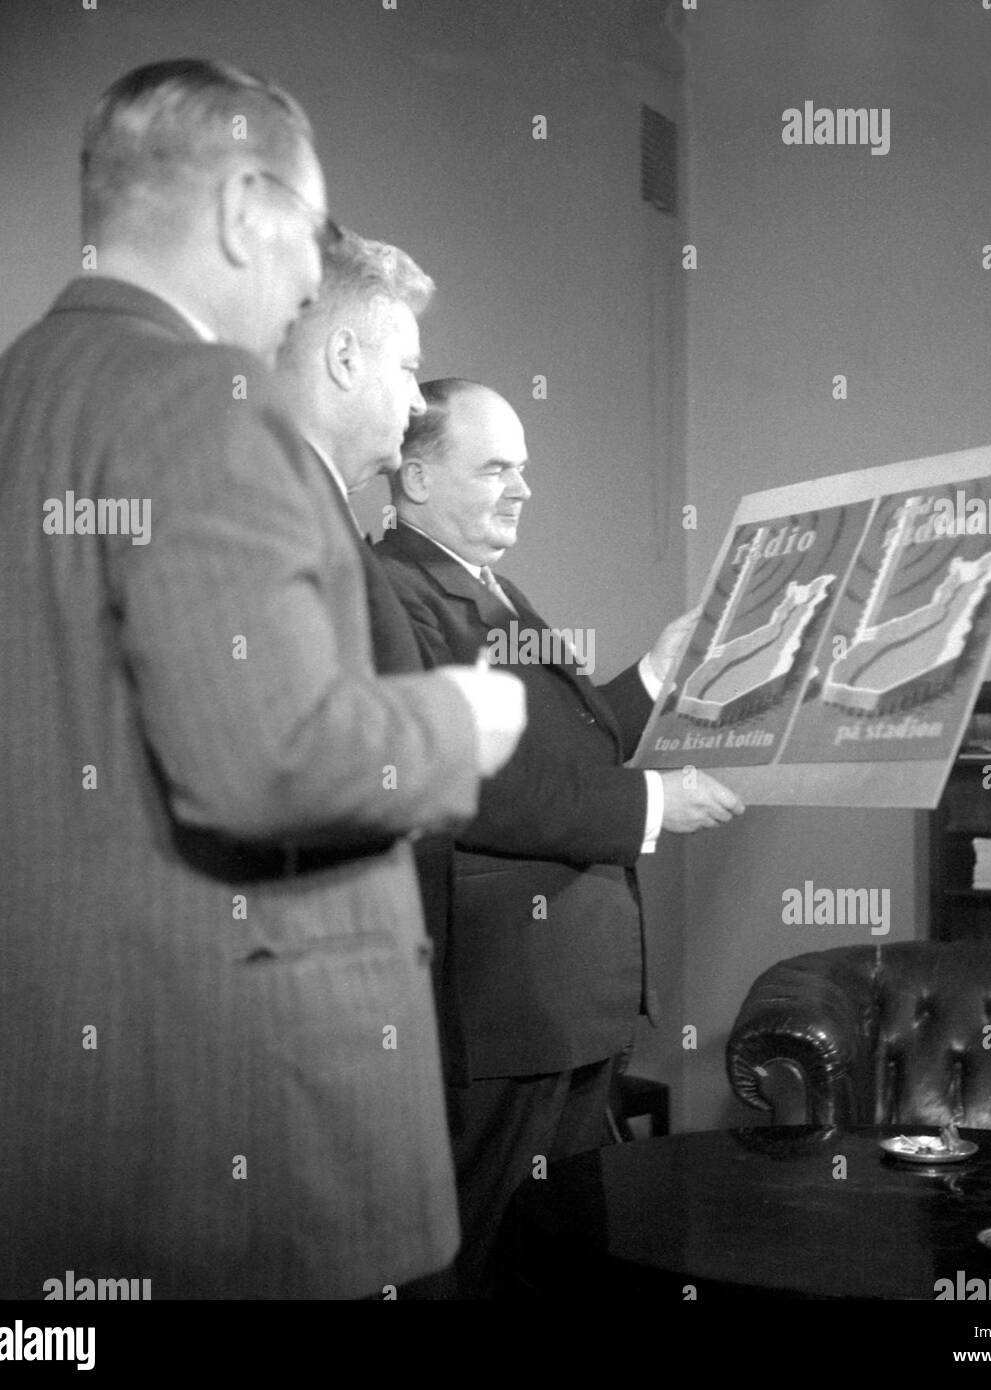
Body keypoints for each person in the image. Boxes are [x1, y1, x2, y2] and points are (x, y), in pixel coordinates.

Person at [0, 61, 524, 1301]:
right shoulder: (207, 404)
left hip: (35, 1140)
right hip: (247, 1150)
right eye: (307, 246)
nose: (313, 285)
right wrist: (462, 716)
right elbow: (269, 758)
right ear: (239, 215)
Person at [377, 378, 741, 1296]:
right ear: (415, 478)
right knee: (488, 1262)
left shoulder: (487, 586)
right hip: (509, 1014)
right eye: (496, 466)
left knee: (565, 1262)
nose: (522, 488)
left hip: (572, 1009)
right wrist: (653, 807)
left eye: (525, 468)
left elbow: (569, 752)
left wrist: (657, 670)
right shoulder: (394, 589)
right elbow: (473, 780)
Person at [274, 230, 465, 1083]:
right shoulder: (274, 515)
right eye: (407, 370)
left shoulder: (315, 508)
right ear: (345, 358)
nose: (419, 403)